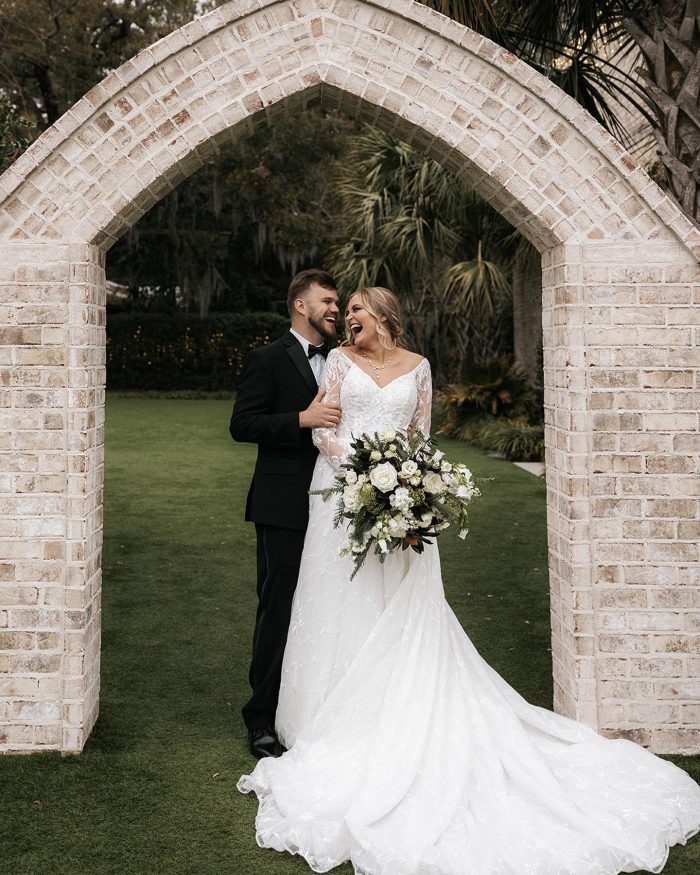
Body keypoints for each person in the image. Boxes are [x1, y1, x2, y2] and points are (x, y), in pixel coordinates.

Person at [238, 285, 700, 874]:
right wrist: (360, 478)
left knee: (399, 606)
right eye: (343, 307)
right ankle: (325, 716)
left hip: (401, 497)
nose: (347, 316)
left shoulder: (420, 369)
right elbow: (323, 429)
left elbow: (419, 438)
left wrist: (407, 487)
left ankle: (402, 711)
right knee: (337, 601)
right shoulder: (336, 363)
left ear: (383, 317)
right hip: (338, 497)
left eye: (356, 308)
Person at [230, 269, 341, 759]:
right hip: (283, 503)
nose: (336, 309)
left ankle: (314, 708)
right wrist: (300, 420)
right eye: (328, 301)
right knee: (279, 605)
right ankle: (262, 719)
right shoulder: (267, 359)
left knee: (329, 604)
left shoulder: (343, 361)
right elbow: (243, 424)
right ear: (301, 305)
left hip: (338, 501)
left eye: (338, 302)